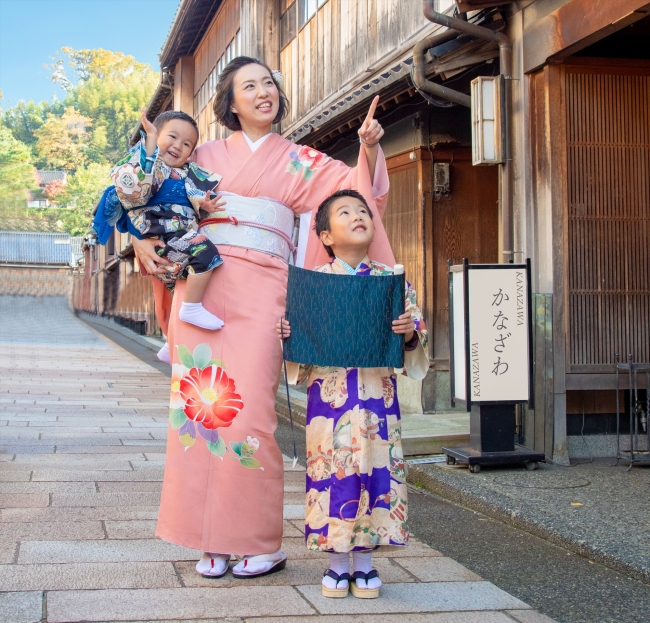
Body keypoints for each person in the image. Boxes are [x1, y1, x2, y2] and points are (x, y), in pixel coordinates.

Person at [131, 56, 394, 580]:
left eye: (269, 83)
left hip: (263, 289)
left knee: (250, 414)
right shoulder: (199, 154)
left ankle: (255, 539)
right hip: (201, 287)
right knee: (199, 410)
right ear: (230, 102)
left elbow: (355, 195)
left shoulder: (302, 161)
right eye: (249, 86)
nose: (262, 92)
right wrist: (140, 239)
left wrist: (367, 148)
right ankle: (209, 538)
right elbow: (142, 196)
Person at [276, 189, 428, 598]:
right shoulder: (314, 283)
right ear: (325, 235)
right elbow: (298, 352)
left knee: (378, 473)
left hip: (378, 394)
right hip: (330, 397)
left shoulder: (392, 280)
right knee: (335, 473)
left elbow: (415, 342)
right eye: (345, 213)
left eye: (363, 211)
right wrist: (290, 338)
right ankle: (337, 563)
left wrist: (410, 333)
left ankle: (365, 563)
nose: (358, 216)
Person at [111, 110, 226, 334]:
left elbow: (195, 197)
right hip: (160, 230)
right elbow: (139, 182)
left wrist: (206, 205)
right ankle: (191, 308)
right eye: (172, 137)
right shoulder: (153, 165)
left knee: (178, 286)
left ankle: (171, 339)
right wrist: (151, 141)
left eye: (187, 144)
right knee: (206, 253)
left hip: (177, 230)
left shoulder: (186, 173)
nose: (177, 146)